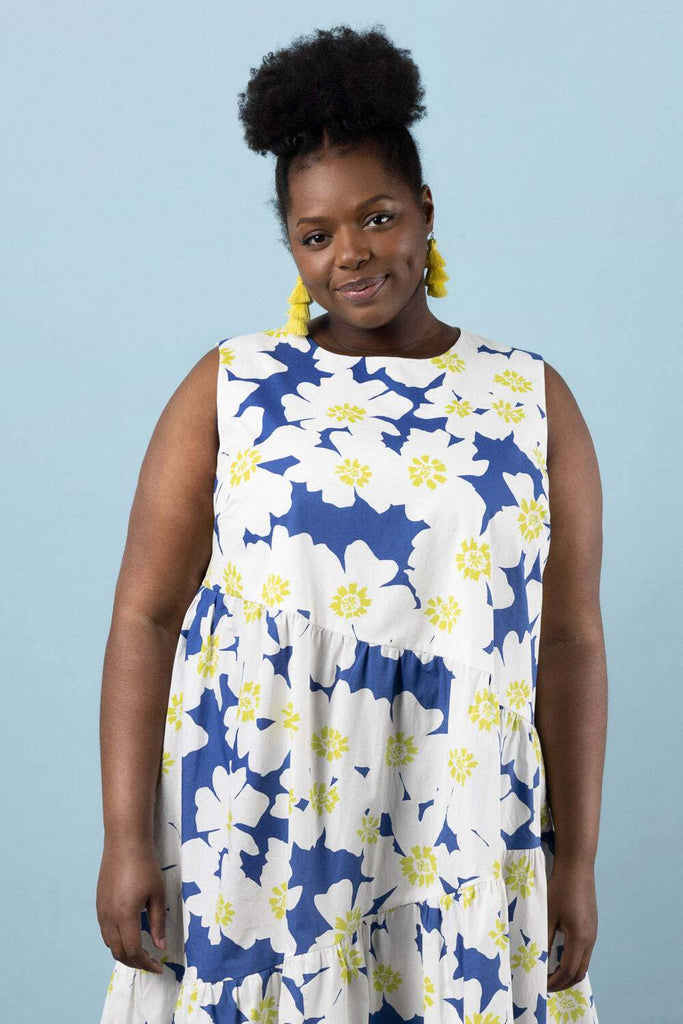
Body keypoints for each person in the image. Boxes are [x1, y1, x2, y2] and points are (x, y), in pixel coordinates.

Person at [97, 23, 606, 1024]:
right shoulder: (233, 384)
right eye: (315, 235)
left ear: (425, 211)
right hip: (257, 820)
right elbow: (144, 618)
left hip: (459, 826)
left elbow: (570, 643)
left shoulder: (526, 398)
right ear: (291, 245)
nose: (352, 256)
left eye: (377, 218)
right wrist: (124, 837)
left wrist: (576, 860)